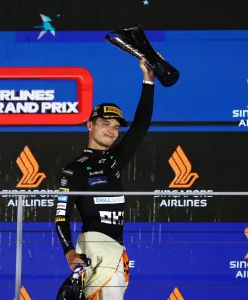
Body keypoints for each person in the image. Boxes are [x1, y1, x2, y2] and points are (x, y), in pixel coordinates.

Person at [54, 54, 160, 299]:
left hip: (115, 249)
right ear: (89, 125)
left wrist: (148, 81)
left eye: (116, 126)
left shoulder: (114, 161)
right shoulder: (76, 169)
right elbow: (61, 215)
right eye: (105, 123)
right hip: (94, 249)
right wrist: (69, 251)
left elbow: (141, 126)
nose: (112, 130)